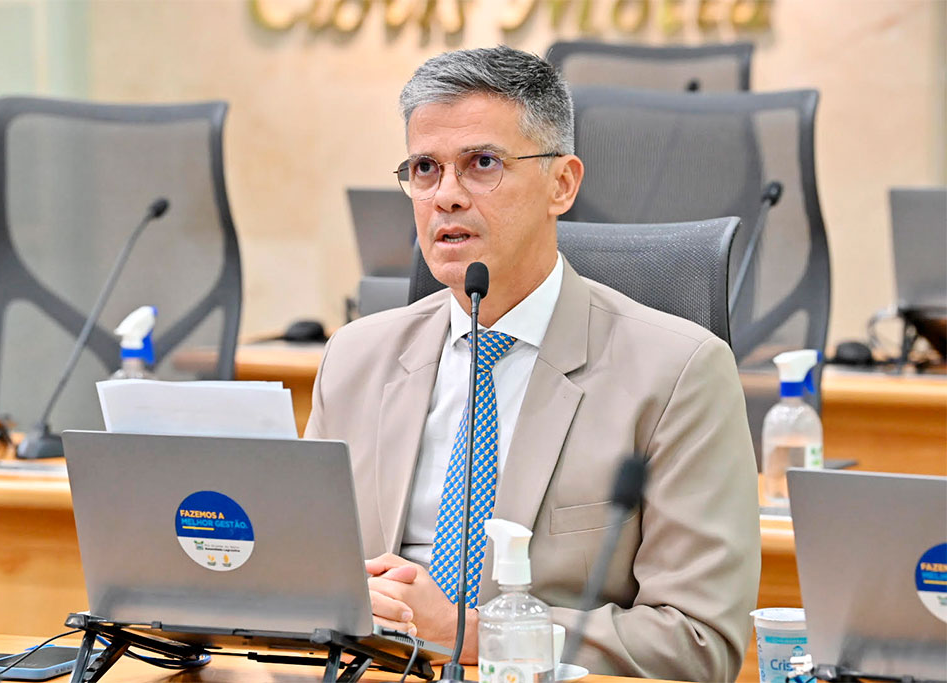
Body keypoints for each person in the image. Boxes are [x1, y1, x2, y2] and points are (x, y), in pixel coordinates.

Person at [305, 45, 760, 681]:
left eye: (482, 164)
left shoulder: (679, 372)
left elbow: (699, 642)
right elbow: (307, 586)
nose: (447, 197)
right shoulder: (356, 357)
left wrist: (471, 634)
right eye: (425, 168)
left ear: (562, 183)